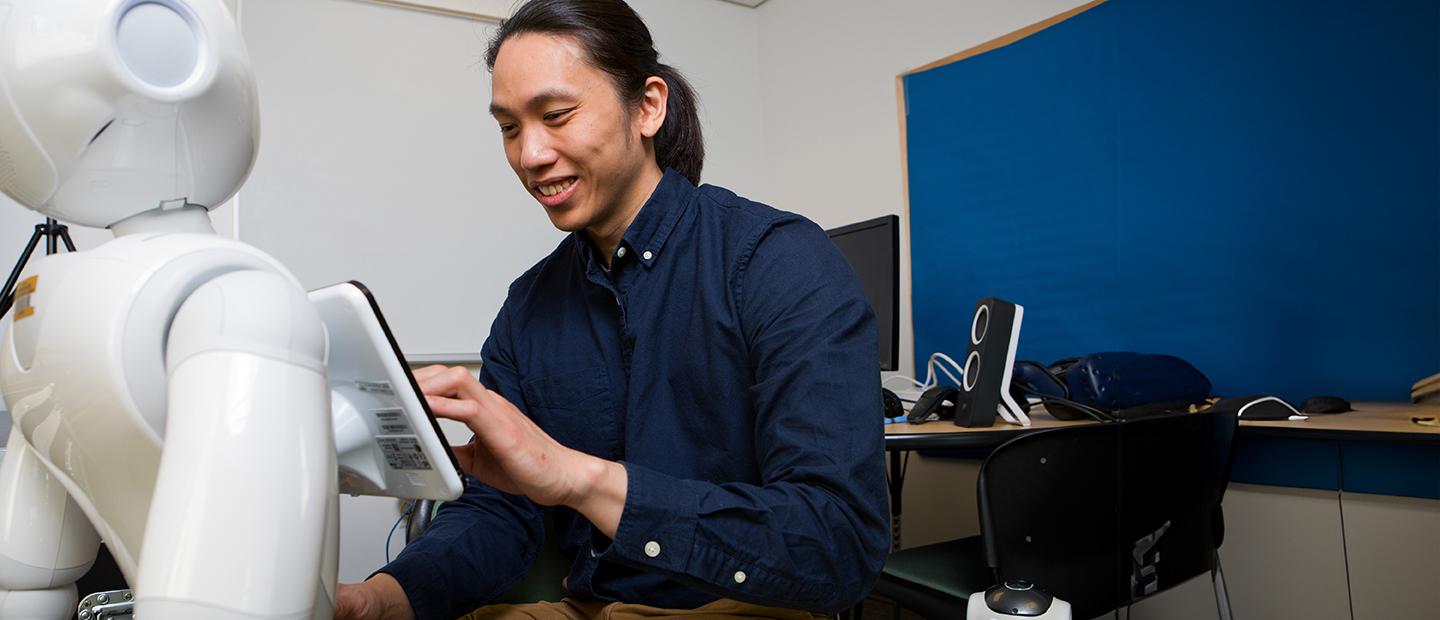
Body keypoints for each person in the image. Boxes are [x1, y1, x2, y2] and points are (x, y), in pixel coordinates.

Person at [334, 1, 888, 618]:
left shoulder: (779, 262)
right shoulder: (528, 309)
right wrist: (381, 599)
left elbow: (836, 545)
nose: (529, 155)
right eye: (509, 127)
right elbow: (500, 511)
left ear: (648, 106)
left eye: (556, 115)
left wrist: (579, 478)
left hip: (747, 606)